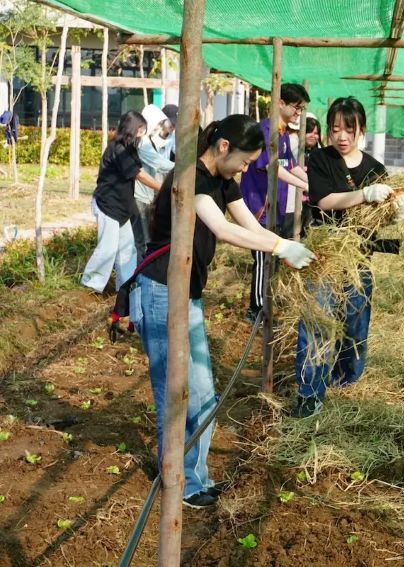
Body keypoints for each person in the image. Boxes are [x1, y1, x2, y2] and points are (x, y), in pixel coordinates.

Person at [134, 114, 315, 508]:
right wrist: (279, 248)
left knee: (202, 394)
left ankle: (194, 479)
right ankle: (178, 482)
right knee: (176, 393)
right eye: (246, 160)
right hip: (161, 290)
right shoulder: (192, 179)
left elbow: (251, 226)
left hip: (187, 293)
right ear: (222, 148)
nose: (247, 167)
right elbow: (223, 230)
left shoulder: (221, 181)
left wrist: (282, 244)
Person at [294, 96, 404, 418]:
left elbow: (381, 216)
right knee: (315, 325)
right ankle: (309, 394)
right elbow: (324, 200)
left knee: (355, 327)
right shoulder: (320, 160)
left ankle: (345, 383)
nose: (341, 136)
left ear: (362, 129)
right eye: (335, 129)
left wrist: (395, 211)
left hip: (359, 260)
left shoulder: (376, 169)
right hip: (323, 256)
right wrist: (364, 195)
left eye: (348, 128)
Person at [240, 83, 311, 322]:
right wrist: (302, 185)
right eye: (296, 108)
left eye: (301, 109)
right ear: (280, 103)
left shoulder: (281, 133)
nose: (298, 114)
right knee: (262, 257)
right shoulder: (265, 131)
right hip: (258, 205)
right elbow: (271, 166)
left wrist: (311, 183)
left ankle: (265, 304)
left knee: (271, 258)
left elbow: (291, 166)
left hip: (275, 207)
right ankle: (256, 310)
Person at [81, 111, 161, 293]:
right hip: (107, 205)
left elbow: (139, 170)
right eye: (140, 129)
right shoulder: (118, 149)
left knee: (127, 250)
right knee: (107, 248)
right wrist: (162, 188)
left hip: (122, 207)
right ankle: (90, 284)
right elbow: (138, 174)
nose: (143, 133)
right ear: (132, 128)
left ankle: (126, 286)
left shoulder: (129, 148)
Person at [132, 104, 175, 259]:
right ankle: (140, 275)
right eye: (157, 124)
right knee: (143, 241)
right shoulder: (143, 143)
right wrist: (184, 168)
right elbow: (159, 163)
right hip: (140, 197)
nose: (158, 128)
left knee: (143, 240)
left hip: (146, 195)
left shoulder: (148, 140)